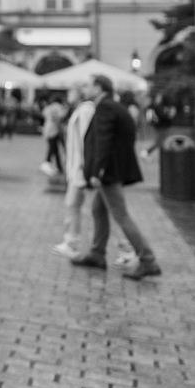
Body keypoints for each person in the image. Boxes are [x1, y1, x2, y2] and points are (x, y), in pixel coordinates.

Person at [71, 74, 162, 280]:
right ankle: (97, 254)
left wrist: (98, 171)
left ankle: (148, 260)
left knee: (121, 215)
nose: (85, 89)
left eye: (88, 86)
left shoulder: (105, 108)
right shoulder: (114, 106)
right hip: (113, 169)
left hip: (109, 172)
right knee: (98, 209)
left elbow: (103, 141)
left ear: (99, 88)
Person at [52, 87, 95, 258]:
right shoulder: (80, 110)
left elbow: (85, 140)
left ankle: (73, 242)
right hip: (77, 166)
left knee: (74, 204)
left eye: (71, 92)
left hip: (80, 167)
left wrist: (83, 164)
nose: (68, 95)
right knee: (75, 204)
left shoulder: (85, 111)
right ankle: (72, 241)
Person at [40, 94, 69, 177]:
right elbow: (62, 116)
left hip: (47, 128)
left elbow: (43, 114)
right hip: (55, 130)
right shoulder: (58, 106)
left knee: (54, 148)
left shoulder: (49, 107)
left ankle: (59, 167)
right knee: (53, 148)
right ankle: (47, 162)